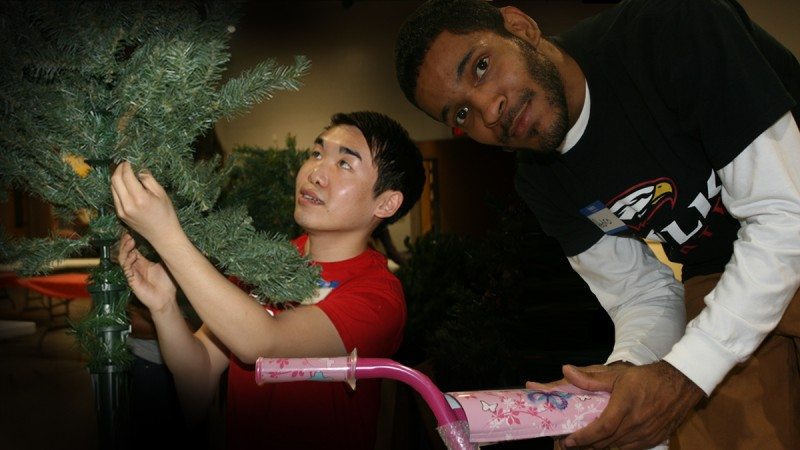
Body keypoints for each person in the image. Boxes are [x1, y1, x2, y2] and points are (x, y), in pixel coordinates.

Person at [395, 1, 800, 449]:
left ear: (521, 27)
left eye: (481, 67)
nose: (489, 112)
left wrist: (685, 374)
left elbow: (784, 216)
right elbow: (641, 292)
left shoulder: (674, 28)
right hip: (720, 276)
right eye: (461, 114)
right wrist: (627, 369)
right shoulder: (541, 181)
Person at [111, 111, 425, 450]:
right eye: (317, 153)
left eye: (345, 164)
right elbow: (198, 379)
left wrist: (167, 237)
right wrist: (164, 306)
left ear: (387, 202)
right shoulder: (265, 261)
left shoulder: (378, 296)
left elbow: (263, 342)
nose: (316, 173)